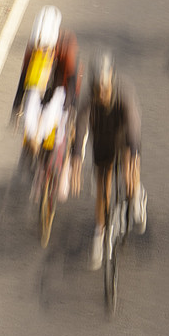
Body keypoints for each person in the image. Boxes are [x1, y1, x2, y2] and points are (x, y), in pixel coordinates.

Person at [71, 52, 147, 270]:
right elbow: (82, 128)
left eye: (104, 89)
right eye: (97, 90)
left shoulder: (124, 92)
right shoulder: (89, 99)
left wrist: (133, 155)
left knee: (129, 171)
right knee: (102, 186)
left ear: (111, 79)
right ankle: (100, 232)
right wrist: (76, 160)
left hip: (124, 134)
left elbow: (133, 125)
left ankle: (136, 195)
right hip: (103, 137)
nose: (101, 94)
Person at [11, 6, 80, 182]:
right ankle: (32, 154)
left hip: (61, 89)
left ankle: (62, 158)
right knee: (31, 127)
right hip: (38, 88)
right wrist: (17, 107)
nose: (41, 51)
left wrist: (69, 110)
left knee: (57, 125)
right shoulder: (32, 50)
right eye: (38, 48)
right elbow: (23, 79)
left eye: (46, 49)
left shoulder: (66, 47)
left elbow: (71, 85)